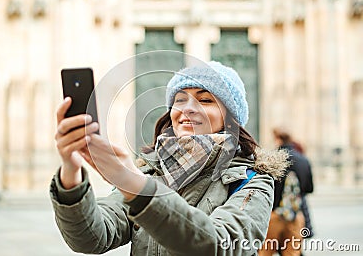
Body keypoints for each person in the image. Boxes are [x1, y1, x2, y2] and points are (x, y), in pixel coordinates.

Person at [49, 61, 289, 255]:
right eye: (180, 99)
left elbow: (218, 245)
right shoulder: (150, 172)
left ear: (230, 119)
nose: (188, 108)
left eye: (205, 100)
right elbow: (91, 239)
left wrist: (134, 184)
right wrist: (71, 170)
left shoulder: (252, 180)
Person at [259, 128, 314, 256]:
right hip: (296, 215)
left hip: (274, 214)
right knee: (292, 252)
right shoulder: (304, 160)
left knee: (265, 251)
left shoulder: (274, 159)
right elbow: (309, 188)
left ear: (278, 139)